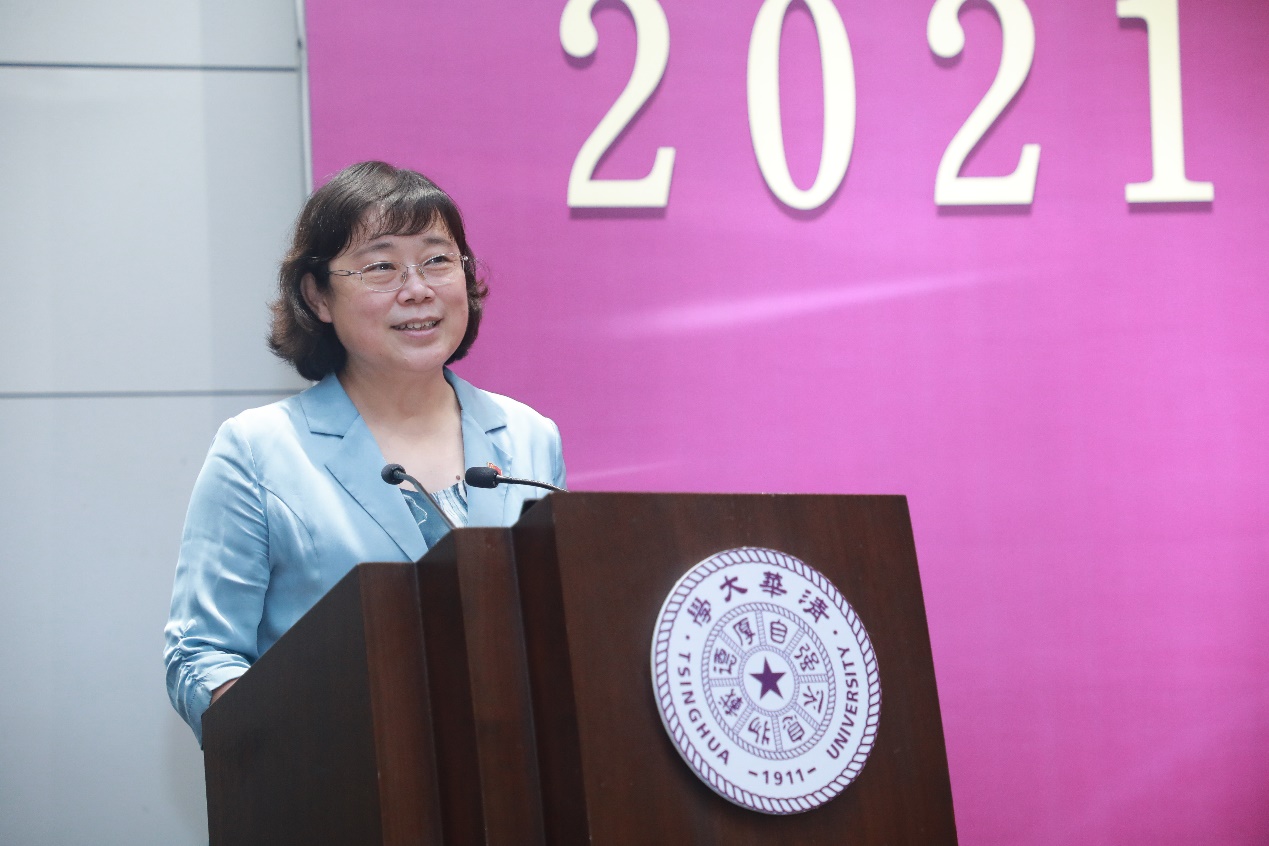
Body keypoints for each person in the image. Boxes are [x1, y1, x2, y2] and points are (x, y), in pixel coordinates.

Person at [164, 161, 566, 743]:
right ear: (318, 296)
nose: (417, 289)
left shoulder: (529, 436)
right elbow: (201, 655)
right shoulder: (258, 450)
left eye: (437, 260)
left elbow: (553, 627)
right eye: (381, 267)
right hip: (340, 775)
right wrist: (302, 749)